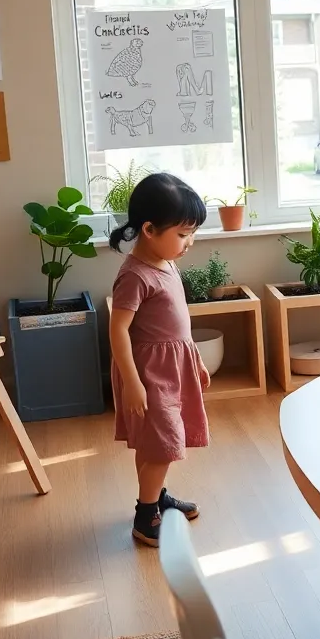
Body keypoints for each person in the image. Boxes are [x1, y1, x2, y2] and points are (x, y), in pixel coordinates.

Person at [107, 172, 212, 546]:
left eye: (192, 233)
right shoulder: (135, 276)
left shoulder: (166, 264)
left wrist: (195, 360)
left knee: (156, 444)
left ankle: (156, 497)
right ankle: (145, 515)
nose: (189, 243)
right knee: (164, 444)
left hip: (172, 368)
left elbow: (177, 325)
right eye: (182, 234)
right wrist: (132, 382)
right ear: (149, 229)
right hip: (149, 374)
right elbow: (118, 329)